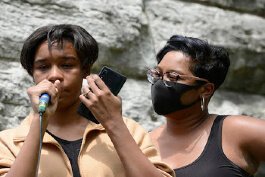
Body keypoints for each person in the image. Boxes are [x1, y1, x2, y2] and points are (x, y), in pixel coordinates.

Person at [0, 24, 175, 177]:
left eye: (67, 65)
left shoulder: (129, 131)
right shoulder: (8, 142)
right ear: (32, 75)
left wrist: (113, 123)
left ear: (86, 71)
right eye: (43, 67)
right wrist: (40, 121)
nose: (54, 75)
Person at [148, 35, 265, 177]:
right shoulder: (144, 142)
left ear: (206, 89)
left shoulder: (234, 131)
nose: (160, 83)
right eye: (157, 74)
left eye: (173, 76)